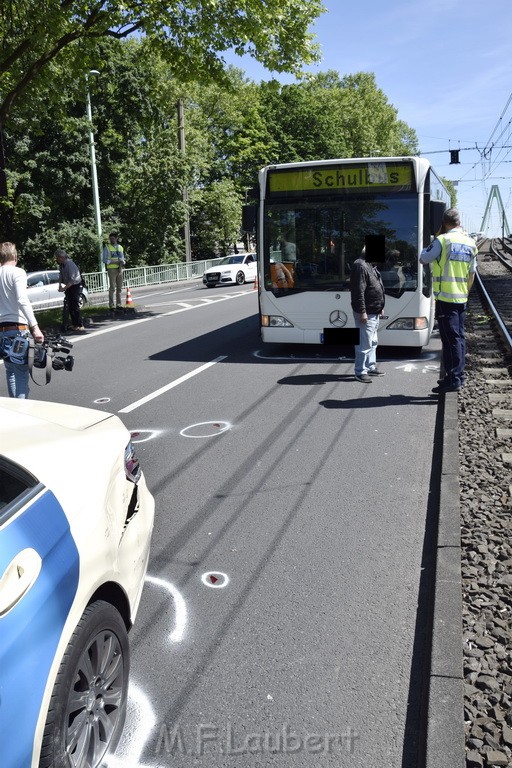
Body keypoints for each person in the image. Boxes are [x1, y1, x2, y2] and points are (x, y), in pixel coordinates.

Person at [420, 208, 477, 393]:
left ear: (444, 223)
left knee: (450, 340)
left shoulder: (442, 240)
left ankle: (453, 379)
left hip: (445, 299)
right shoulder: (470, 243)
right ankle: (457, 376)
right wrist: (464, 293)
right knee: (459, 338)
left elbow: (423, 258)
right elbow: (472, 274)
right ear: (459, 222)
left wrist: (435, 239)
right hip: (461, 298)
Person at [0, 241, 44, 398]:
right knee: (21, 375)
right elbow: (22, 299)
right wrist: (35, 326)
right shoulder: (18, 272)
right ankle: (23, 413)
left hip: (2, 332)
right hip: (17, 330)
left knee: (10, 371)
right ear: (15, 256)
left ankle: (15, 411)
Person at [350, 245, 386, 383]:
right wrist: (362, 312)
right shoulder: (360, 266)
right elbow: (358, 291)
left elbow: (376, 286)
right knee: (364, 343)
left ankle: (370, 367)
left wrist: (380, 307)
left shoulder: (369, 265)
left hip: (373, 310)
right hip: (367, 312)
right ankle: (360, 372)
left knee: (372, 342)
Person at [55, 249, 85, 332]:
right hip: (69, 285)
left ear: (61, 257)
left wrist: (64, 288)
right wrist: (60, 285)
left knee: (75, 304)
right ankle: (74, 324)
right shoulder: (61, 265)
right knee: (69, 304)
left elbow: (72, 279)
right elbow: (61, 275)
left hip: (75, 285)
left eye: (57, 258)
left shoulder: (70, 264)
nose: (57, 259)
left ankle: (80, 324)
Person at [102, 231, 126, 311]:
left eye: (113, 238)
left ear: (116, 238)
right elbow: (104, 260)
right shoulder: (107, 247)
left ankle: (119, 304)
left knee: (119, 288)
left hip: (119, 268)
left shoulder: (120, 247)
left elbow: (122, 258)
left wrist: (122, 263)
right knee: (112, 288)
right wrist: (114, 262)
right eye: (110, 238)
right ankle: (111, 305)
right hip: (111, 269)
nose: (111, 240)